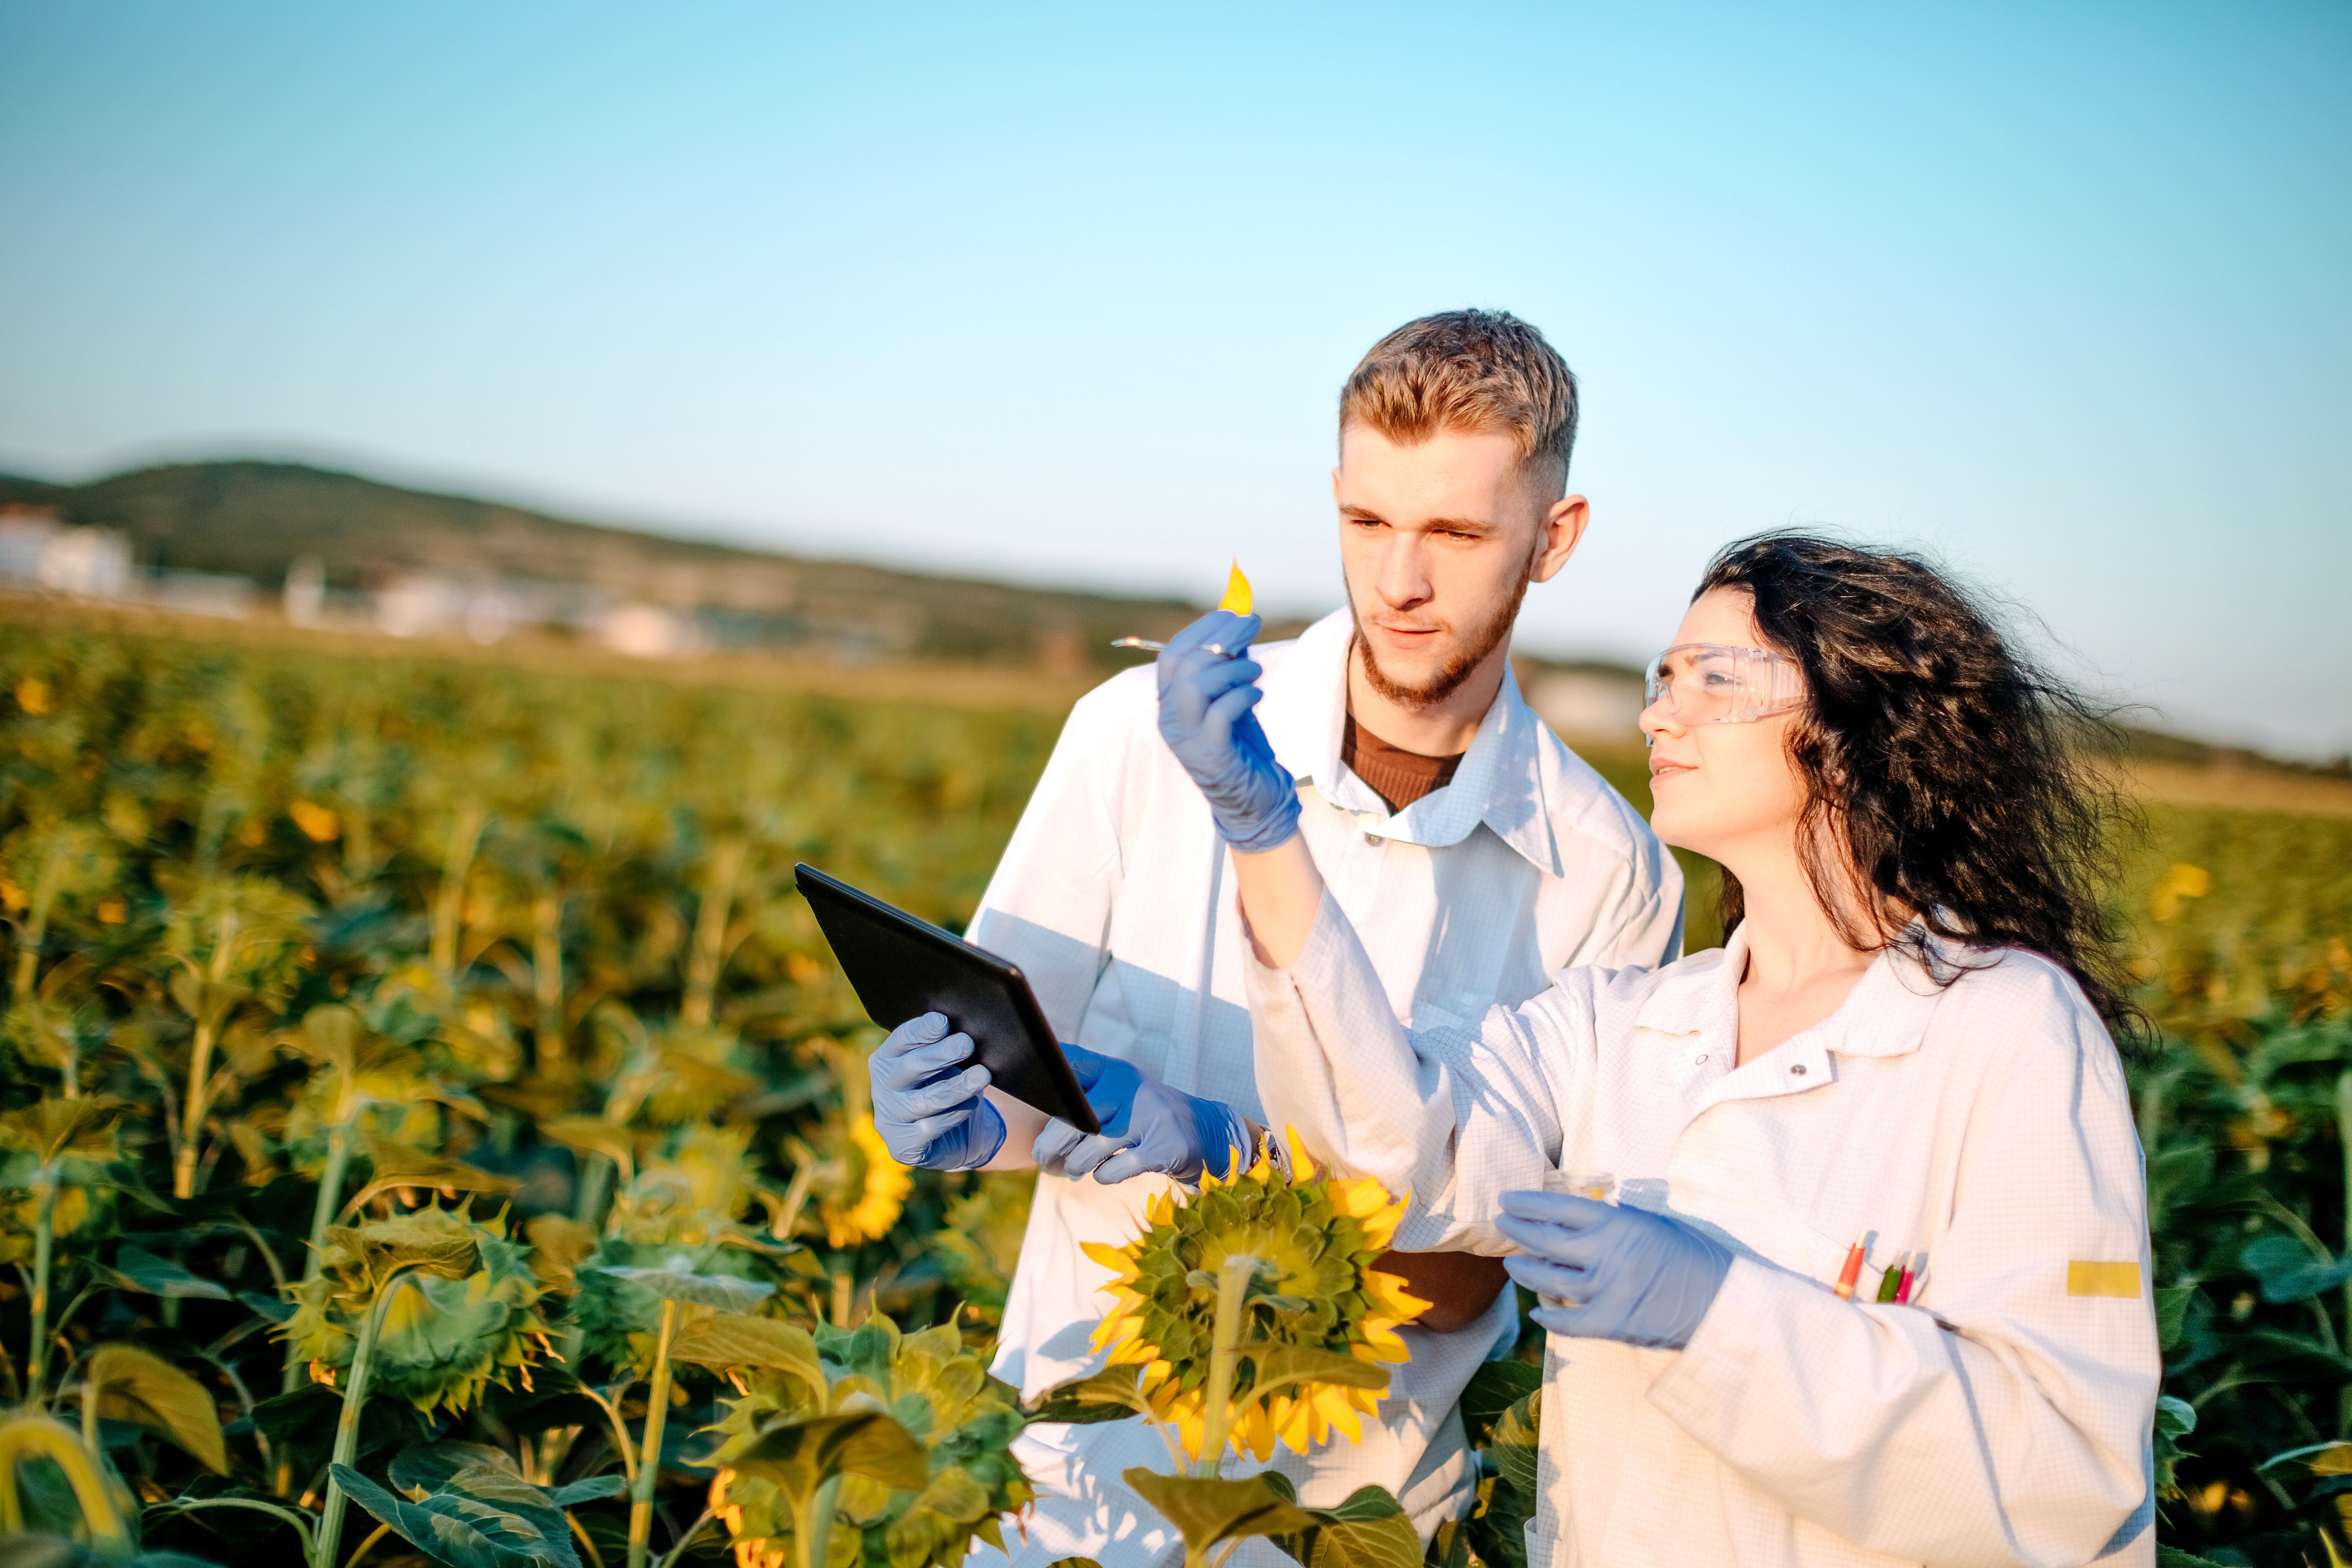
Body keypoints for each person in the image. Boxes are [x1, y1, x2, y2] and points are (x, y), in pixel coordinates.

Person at [1164, 533, 2161, 1565]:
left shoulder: (2007, 1028)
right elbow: (1398, 1147)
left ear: (1860, 721)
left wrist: (1721, 1314)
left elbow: (2064, 1476)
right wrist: (1265, 835)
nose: (1656, 715)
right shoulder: (1624, 1023)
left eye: (1713, 679)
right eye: (1662, 678)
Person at [867, 310, 1686, 1567]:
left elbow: (1485, 1280)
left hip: (1347, 1516)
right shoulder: (1135, 735)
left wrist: (1220, 1151)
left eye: (1457, 534)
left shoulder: (1607, 870)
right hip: (1072, 1482)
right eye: (1369, 524)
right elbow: (1032, 1078)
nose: (1399, 583)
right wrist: (967, 1117)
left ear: (1553, 539)